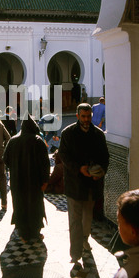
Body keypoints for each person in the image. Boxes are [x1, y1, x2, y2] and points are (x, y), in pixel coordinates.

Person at [59, 103, 109, 263]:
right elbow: (64, 156)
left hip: (92, 185)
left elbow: (105, 157)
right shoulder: (68, 133)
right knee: (74, 219)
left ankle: (85, 239)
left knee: (87, 217)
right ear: (77, 116)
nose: (86, 120)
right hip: (75, 184)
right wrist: (79, 168)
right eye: (83, 117)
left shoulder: (98, 134)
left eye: (88, 116)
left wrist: (100, 172)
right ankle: (75, 253)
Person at [3, 113, 50, 243]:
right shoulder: (37, 140)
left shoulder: (13, 140)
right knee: (35, 205)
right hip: (34, 182)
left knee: (20, 205)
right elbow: (45, 163)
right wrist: (45, 180)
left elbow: (5, 159)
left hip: (17, 181)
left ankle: (23, 233)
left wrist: (15, 168)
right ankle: (35, 232)